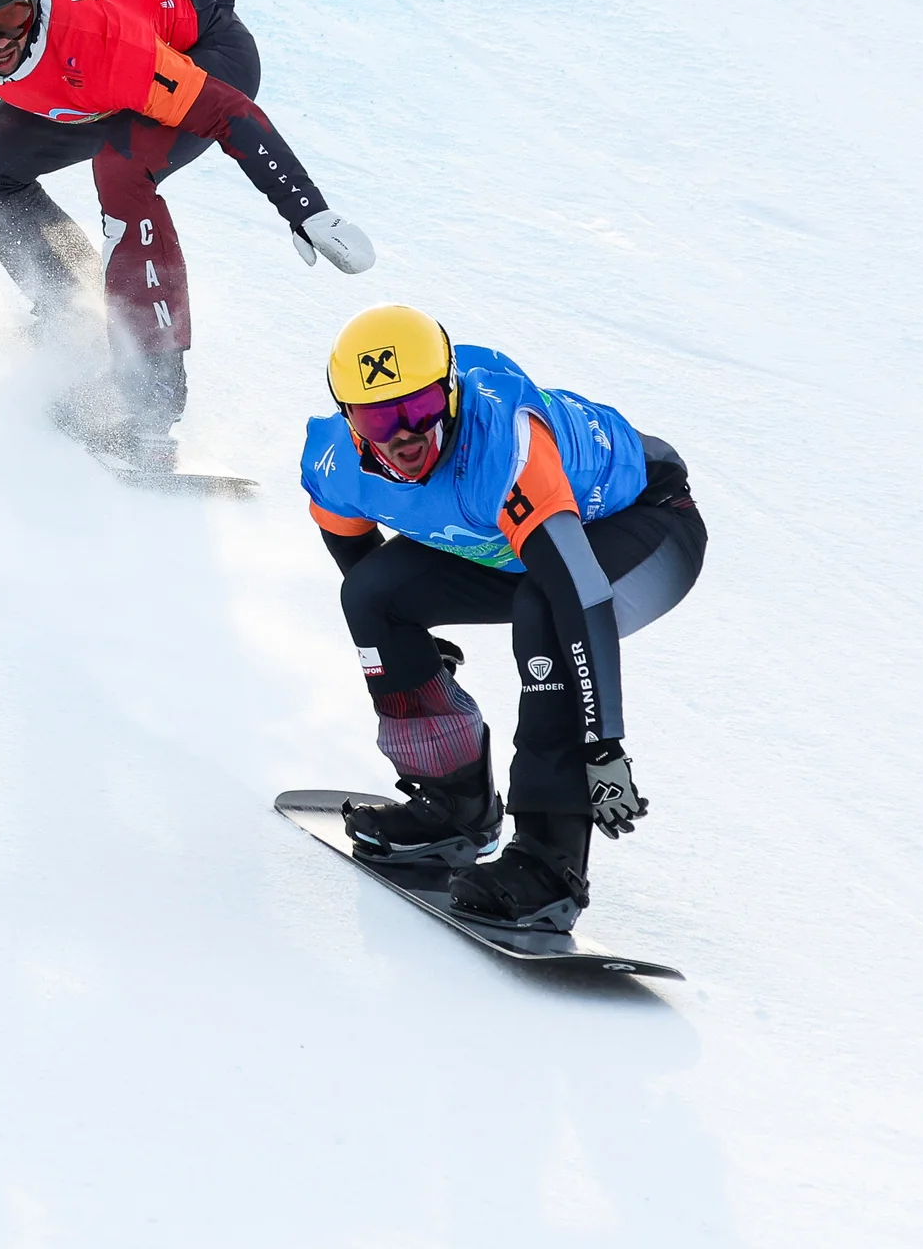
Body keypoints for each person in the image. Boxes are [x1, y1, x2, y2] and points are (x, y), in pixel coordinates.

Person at [0, 0, 373, 462]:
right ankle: (74, 313)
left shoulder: (101, 42)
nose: (1, 41)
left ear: (33, 5)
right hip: (91, 86)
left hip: (199, 55)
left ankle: (150, 405)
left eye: (15, 17)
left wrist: (304, 207)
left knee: (122, 171)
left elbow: (229, 114)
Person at [299, 304, 706, 930]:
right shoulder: (335, 464)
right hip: (510, 542)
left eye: (422, 407)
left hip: (643, 522)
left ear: (453, 395)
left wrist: (604, 744)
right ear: (350, 419)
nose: (404, 434)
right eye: (381, 417)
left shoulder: (506, 449)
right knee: (372, 596)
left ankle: (550, 864)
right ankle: (453, 803)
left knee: (542, 609)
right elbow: (359, 560)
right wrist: (415, 657)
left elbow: (580, 594)